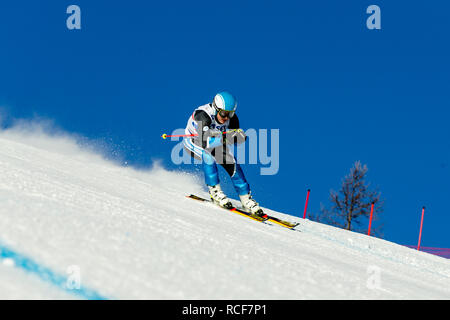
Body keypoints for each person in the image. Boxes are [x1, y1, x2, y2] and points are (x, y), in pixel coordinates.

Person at [183, 91, 264, 216]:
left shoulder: (232, 119)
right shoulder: (202, 115)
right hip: (194, 142)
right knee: (208, 155)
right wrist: (229, 138)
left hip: (215, 142)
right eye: (224, 113)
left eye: (230, 114)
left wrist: (239, 137)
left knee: (232, 162)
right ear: (216, 108)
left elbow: (232, 139)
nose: (226, 117)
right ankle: (214, 191)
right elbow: (205, 142)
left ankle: (245, 198)